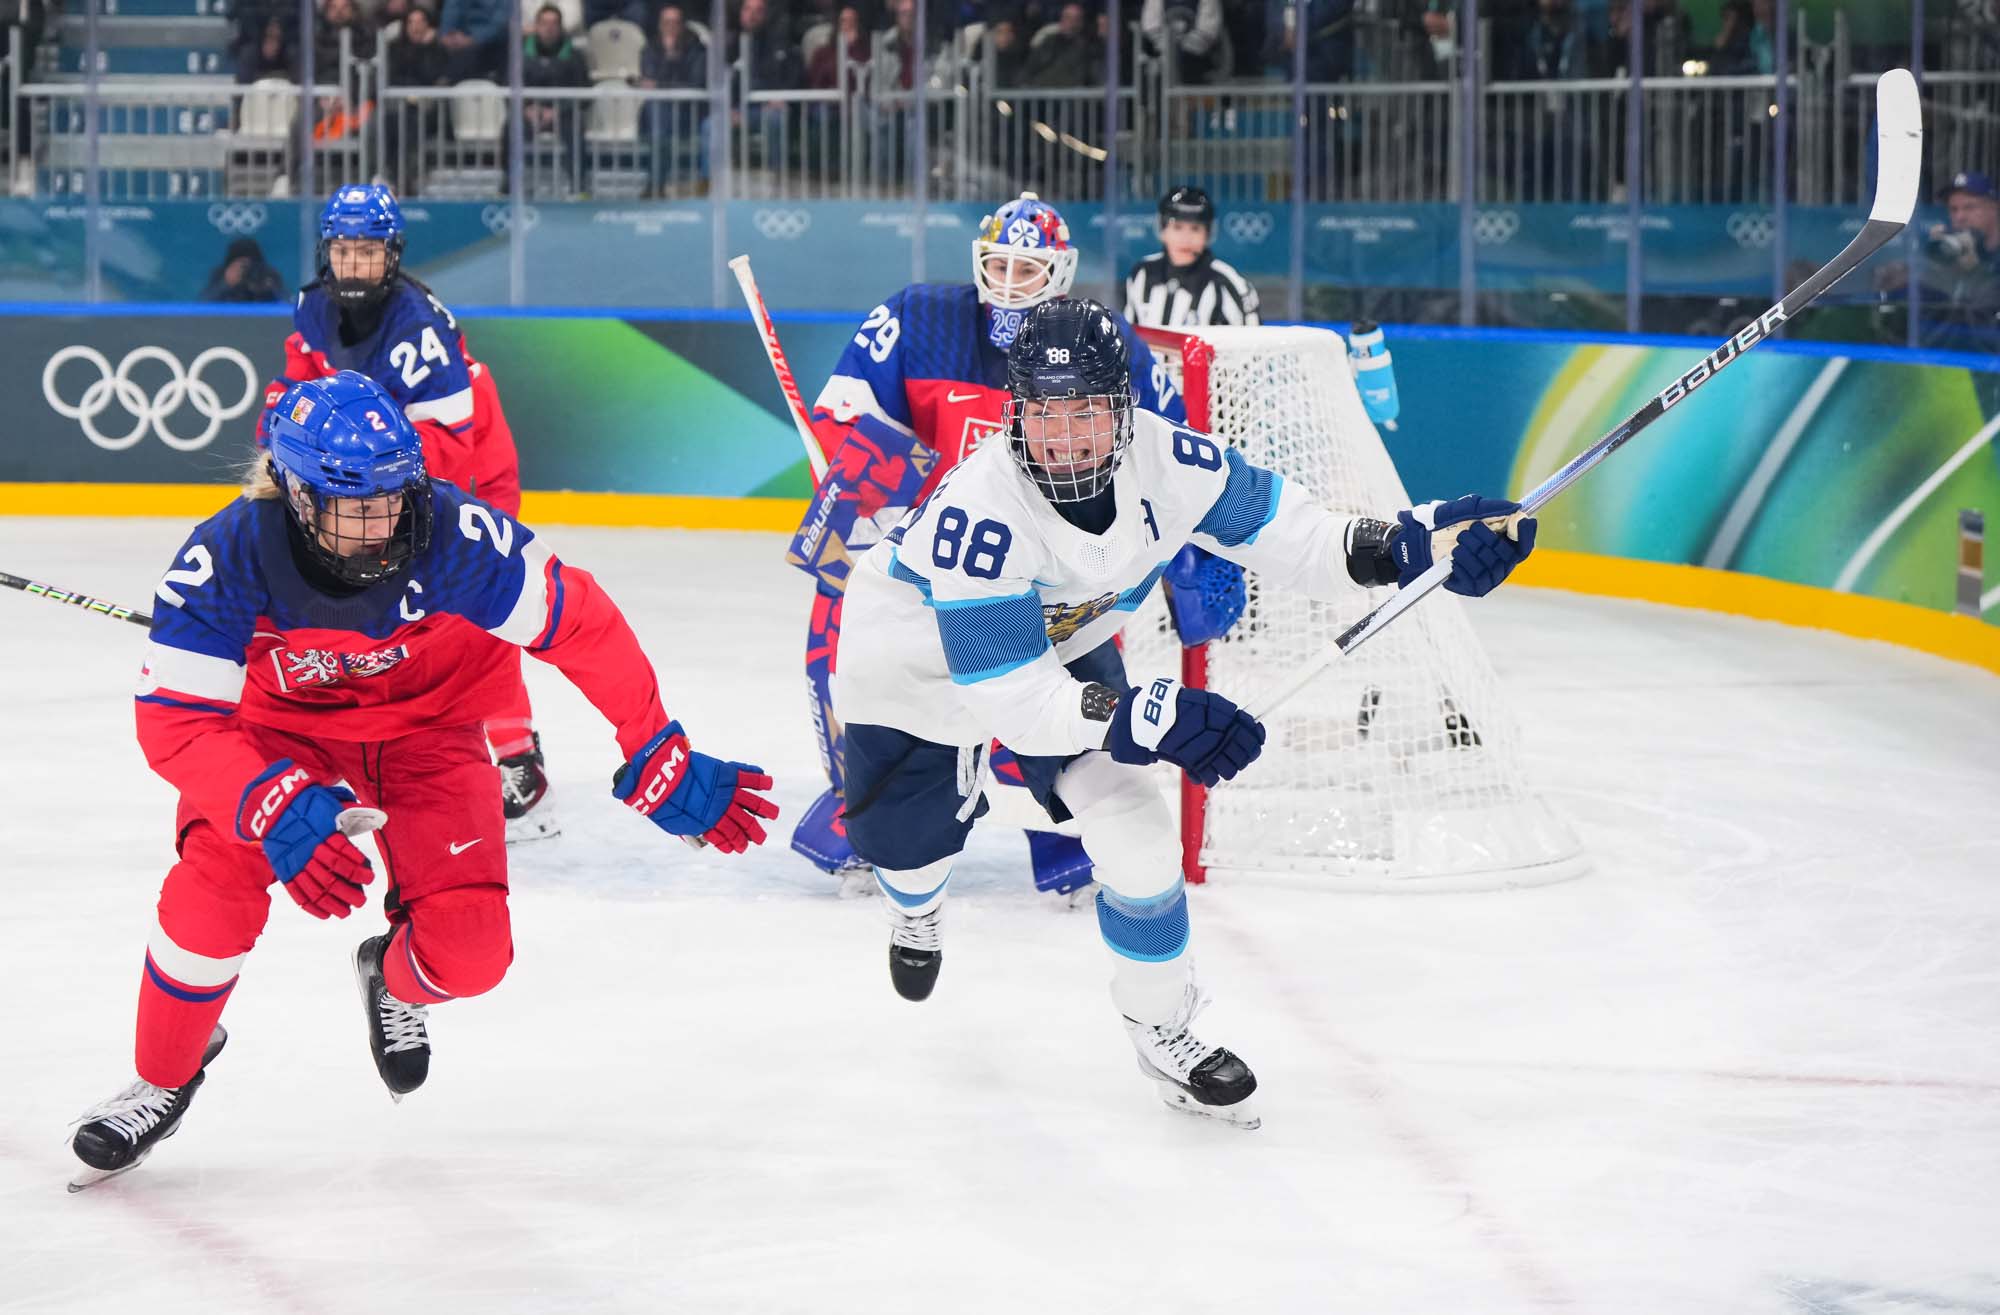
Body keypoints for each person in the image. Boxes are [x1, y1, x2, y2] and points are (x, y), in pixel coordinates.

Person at [830, 298, 1536, 1125]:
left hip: (1060, 642)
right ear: (1015, 413)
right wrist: (1143, 715)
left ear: (1125, 409)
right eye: (1045, 414)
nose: (1065, 438)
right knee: (910, 853)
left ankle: (1162, 1027)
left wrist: (1412, 544)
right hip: (912, 660)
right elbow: (1015, 702)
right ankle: (916, 906)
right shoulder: (981, 512)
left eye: (1087, 412)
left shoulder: (1172, 463)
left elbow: (1305, 538)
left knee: (1136, 834)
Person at [65, 372, 777, 1189]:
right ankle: (162, 1076)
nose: (383, 524)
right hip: (285, 734)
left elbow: (578, 619)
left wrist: (654, 742)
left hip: (430, 734)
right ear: (297, 495)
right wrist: (271, 804)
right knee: (212, 887)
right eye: (354, 505)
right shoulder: (227, 555)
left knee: (471, 955)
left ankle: (390, 976)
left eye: (391, 498)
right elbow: (176, 722)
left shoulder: (454, 534)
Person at [789, 193, 1187, 902]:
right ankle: (870, 810)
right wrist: (859, 485)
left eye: (1025, 268)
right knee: (843, 640)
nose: (1007, 282)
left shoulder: (1100, 342)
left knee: (1065, 684)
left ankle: (1077, 828)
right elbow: (851, 422)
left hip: (1051, 563)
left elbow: (1168, 454)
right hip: (928, 556)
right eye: (997, 264)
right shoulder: (920, 319)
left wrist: (1187, 561)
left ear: (1060, 272)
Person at [256, 185, 558, 842]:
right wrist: (283, 443)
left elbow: (451, 446)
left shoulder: (418, 328)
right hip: (380, 480)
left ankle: (518, 762)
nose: (354, 262)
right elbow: (292, 389)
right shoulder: (313, 307)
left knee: (474, 617)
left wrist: (353, 489)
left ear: (392, 255)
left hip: (470, 472)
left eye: (368, 250)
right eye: (343, 249)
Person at [1123, 185, 1261, 329]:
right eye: (1177, 227)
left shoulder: (1229, 283)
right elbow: (1129, 335)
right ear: (1162, 230)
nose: (1185, 238)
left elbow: (1253, 339)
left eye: (1195, 229)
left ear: (1208, 234)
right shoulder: (1142, 274)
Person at [201, 237, 287, 303]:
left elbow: (287, 303)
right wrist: (226, 283)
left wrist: (269, 290)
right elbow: (204, 304)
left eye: (249, 266)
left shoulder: (267, 274)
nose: (246, 271)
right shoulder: (221, 274)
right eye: (241, 267)